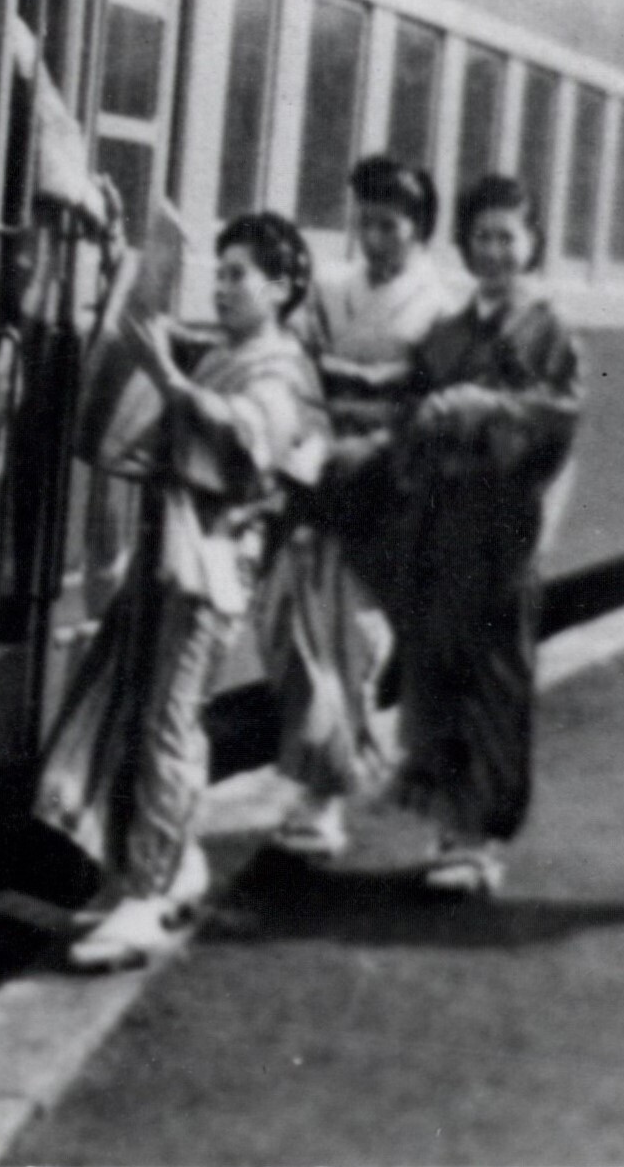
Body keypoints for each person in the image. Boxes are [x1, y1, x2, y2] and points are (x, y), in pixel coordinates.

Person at [61, 211, 328, 970]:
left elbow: (256, 443)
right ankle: (168, 865)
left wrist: (174, 385)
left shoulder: (281, 367)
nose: (223, 284)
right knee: (149, 707)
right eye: (221, 269)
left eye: (240, 273)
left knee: (171, 719)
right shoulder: (233, 353)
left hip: (209, 566)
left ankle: (148, 888)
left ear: (281, 287)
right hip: (174, 554)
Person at [381, 173, 583, 897]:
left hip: (504, 533)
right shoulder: (446, 331)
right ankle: (449, 830)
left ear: (532, 246)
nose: (495, 250)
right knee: (439, 674)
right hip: (444, 528)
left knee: (495, 679)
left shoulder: (549, 331)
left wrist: (486, 407)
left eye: (509, 237)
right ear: (464, 244)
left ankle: (481, 838)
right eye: (483, 236)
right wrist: (423, 417)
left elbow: (559, 417)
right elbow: (405, 412)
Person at [261, 157, 464, 861]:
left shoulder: (439, 308)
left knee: (359, 642)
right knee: (308, 635)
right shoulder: (331, 289)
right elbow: (300, 369)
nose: (374, 238)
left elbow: (431, 406)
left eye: (390, 225)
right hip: (322, 479)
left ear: (420, 232)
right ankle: (321, 788)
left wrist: (374, 431)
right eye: (366, 222)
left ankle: (328, 799)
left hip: (390, 491)